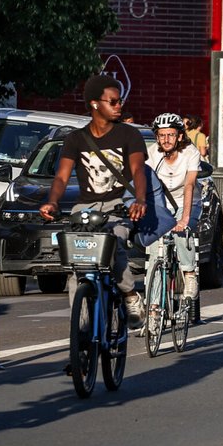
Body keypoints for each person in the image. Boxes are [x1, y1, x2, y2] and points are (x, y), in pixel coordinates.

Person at [40, 74, 148, 325]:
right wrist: (53, 202)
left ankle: (130, 295)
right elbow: (61, 177)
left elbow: (138, 171)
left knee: (115, 244)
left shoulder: (129, 135)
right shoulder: (76, 139)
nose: (119, 106)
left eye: (120, 101)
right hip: (85, 208)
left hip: (118, 206)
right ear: (95, 104)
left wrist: (140, 200)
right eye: (113, 101)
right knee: (77, 259)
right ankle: (80, 330)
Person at [147, 113, 201, 307]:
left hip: (186, 202)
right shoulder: (152, 154)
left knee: (180, 233)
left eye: (171, 135)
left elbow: (189, 185)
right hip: (162, 204)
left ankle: (189, 273)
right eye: (162, 135)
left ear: (179, 136)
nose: (166, 139)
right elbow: (146, 184)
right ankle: (153, 307)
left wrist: (184, 219)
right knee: (155, 254)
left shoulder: (190, 152)